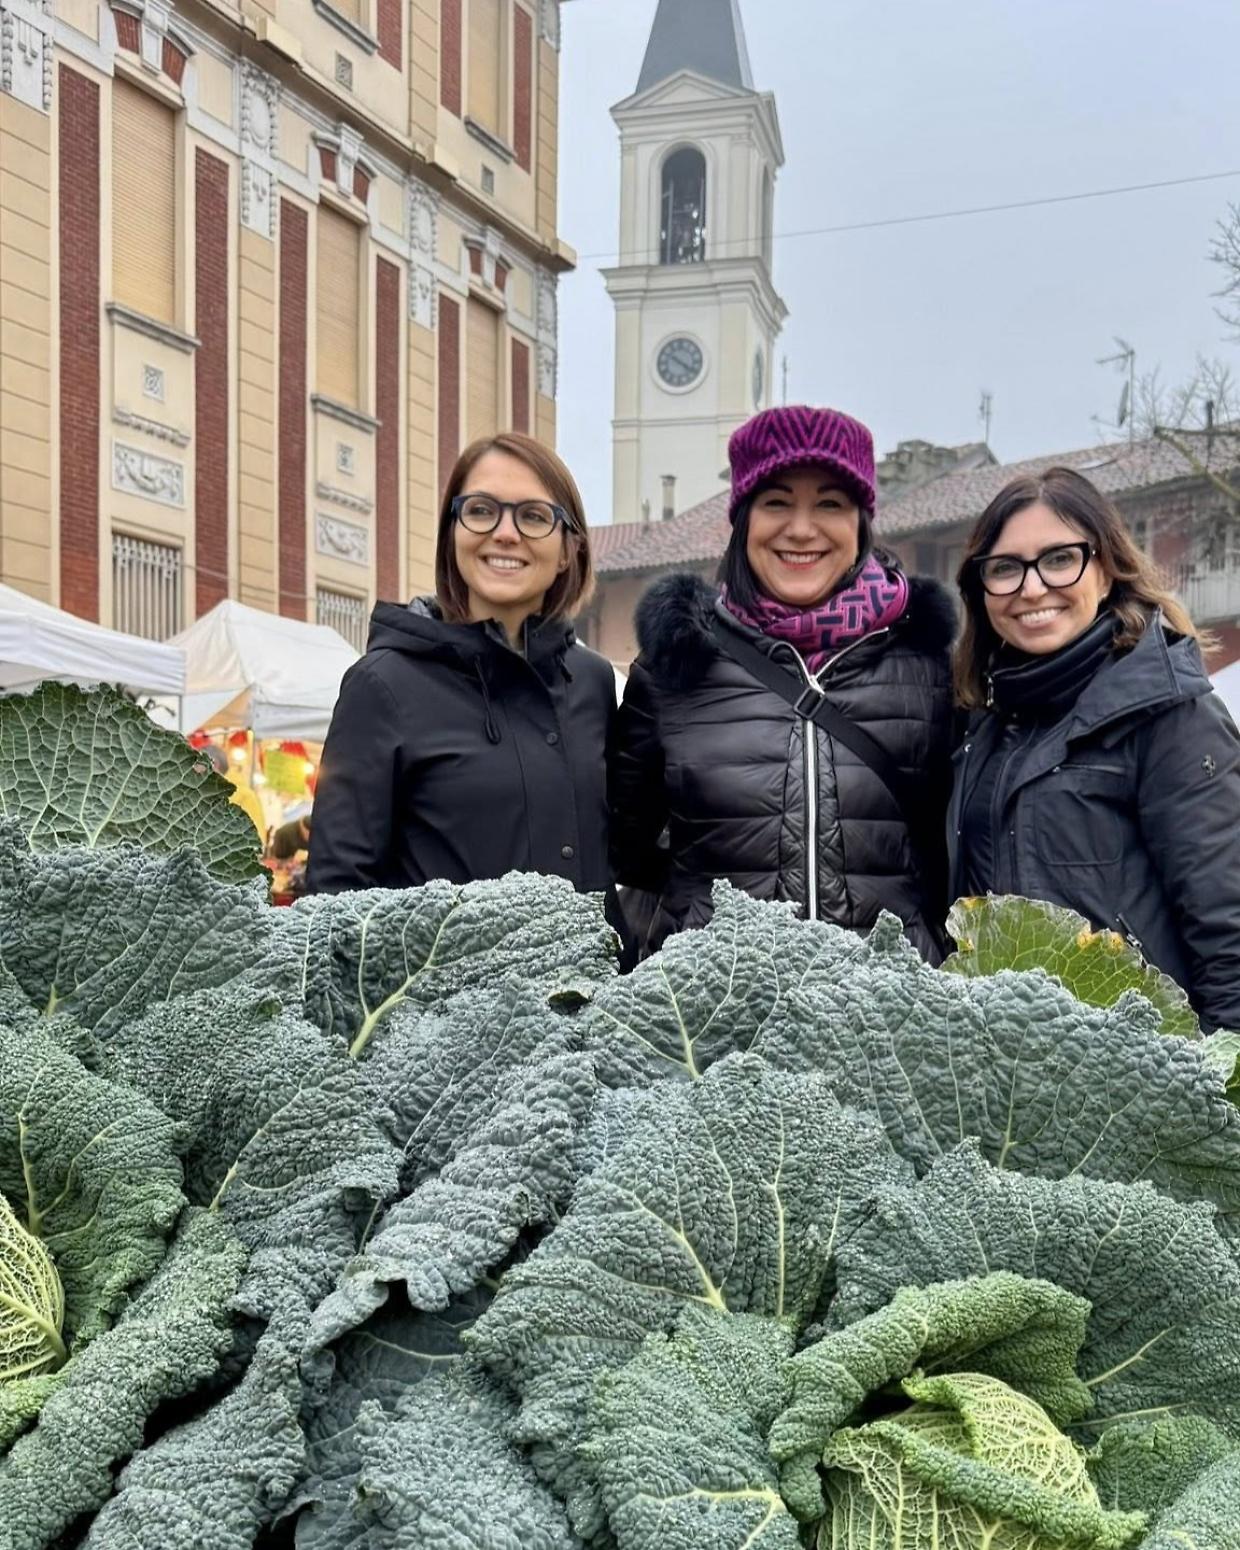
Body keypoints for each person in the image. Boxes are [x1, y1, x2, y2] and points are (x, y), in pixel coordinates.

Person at [609, 405, 958, 959]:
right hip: (719, 1017)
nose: (801, 529)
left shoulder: (930, 664)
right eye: (776, 503)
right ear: (744, 519)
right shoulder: (677, 663)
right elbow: (628, 847)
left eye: (829, 504)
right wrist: (693, 925)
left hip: (889, 1016)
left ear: (860, 522)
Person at [949, 465, 1240, 1030]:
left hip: (1144, 1072)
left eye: (1060, 559)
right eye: (1005, 568)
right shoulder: (980, 724)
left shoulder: (1169, 714)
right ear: (981, 590)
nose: (1032, 588)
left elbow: (1228, 924)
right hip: (1009, 1071)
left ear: (1106, 571)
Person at [306, 432, 614, 899]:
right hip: (440, 973)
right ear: (453, 534)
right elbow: (334, 900)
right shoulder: (384, 685)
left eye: (533, 516)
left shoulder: (591, 680)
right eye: (481, 510)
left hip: (596, 973)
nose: (505, 532)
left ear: (570, 550)